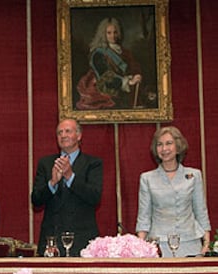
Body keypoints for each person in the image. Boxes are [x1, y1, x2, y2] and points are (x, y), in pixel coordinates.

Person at [31, 119, 103, 257]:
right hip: (52, 240)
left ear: (79, 135)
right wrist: (52, 183)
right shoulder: (46, 163)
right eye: (60, 132)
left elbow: (95, 197)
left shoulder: (93, 163)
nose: (63, 135)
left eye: (68, 131)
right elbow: (36, 200)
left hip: (82, 241)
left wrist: (70, 177)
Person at [136, 126, 211, 257]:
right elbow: (144, 217)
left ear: (178, 146)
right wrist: (140, 248)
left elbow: (201, 211)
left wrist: (206, 244)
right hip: (159, 245)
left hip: (190, 243)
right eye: (160, 144)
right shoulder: (147, 178)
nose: (164, 149)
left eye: (169, 143)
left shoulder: (194, 175)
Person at [77, 17, 142, 110]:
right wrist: (128, 82)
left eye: (115, 32)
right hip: (105, 94)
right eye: (109, 33)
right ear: (103, 34)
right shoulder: (98, 54)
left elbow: (133, 66)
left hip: (124, 94)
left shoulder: (124, 51)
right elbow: (106, 77)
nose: (113, 36)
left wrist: (136, 75)